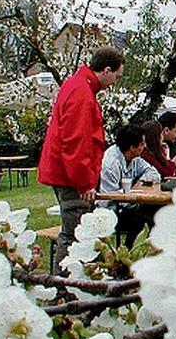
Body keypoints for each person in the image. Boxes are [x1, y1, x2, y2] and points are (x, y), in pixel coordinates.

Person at [38, 46, 125, 271]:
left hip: (65, 173)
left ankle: (68, 285)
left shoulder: (76, 86)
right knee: (75, 234)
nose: (116, 81)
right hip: (70, 177)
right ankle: (64, 287)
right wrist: (85, 182)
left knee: (75, 232)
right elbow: (77, 142)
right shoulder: (82, 94)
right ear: (106, 70)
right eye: (117, 75)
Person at [98, 124, 161, 248]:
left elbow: (154, 173)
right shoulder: (111, 164)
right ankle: (128, 254)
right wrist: (134, 196)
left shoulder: (134, 158)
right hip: (111, 211)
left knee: (157, 211)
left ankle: (152, 253)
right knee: (140, 221)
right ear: (132, 147)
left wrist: (141, 182)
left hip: (129, 204)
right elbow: (110, 198)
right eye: (142, 144)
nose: (145, 146)